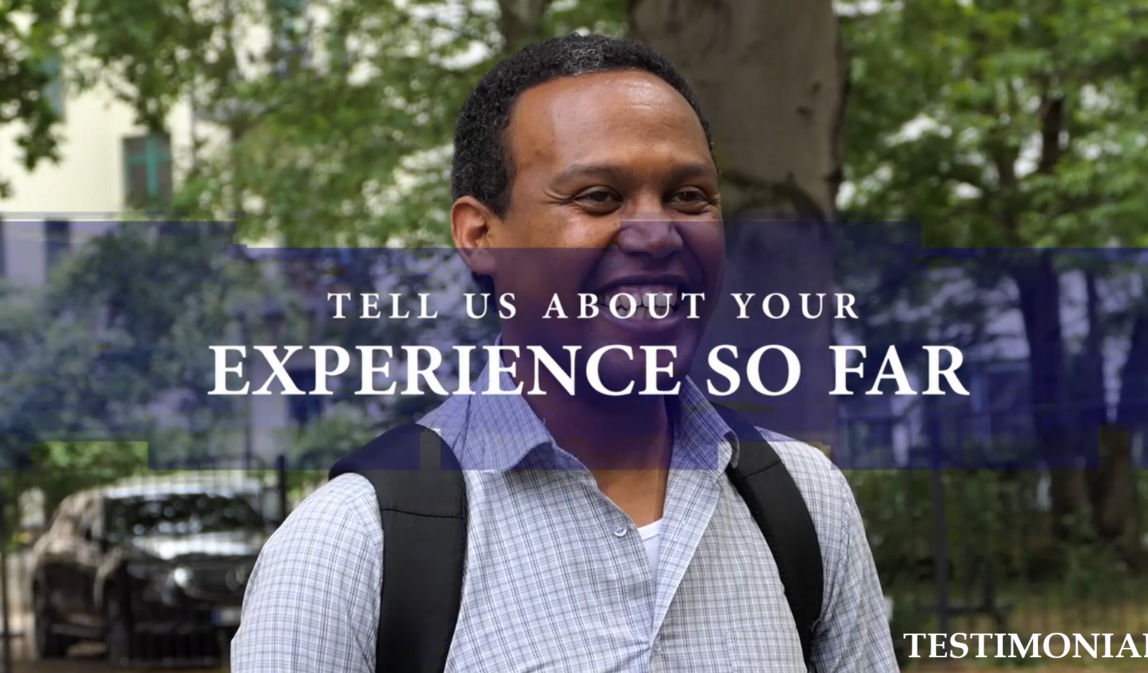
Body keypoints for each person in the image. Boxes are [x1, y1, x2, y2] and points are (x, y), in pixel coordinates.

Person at [231, 33, 896, 672]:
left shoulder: (805, 504)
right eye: (598, 197)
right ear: (480, 234)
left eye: (689, 196)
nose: (658, 234)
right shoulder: (352, 545)